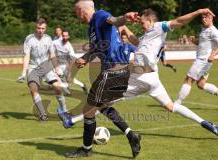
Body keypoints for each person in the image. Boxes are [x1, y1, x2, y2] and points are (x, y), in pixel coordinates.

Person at [62, 8, 218, 138]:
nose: (141, 25)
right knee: (171, 106)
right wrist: (124, 28)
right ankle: (206, 123)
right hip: (152, 79)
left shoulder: (158, 27)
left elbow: (179, 21)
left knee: (102, 102)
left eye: (143, 23)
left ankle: (72, 120)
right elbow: (136, 41)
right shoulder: (148, 35)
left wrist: (198, 11)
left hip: (140, 78)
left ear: (151, 21)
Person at [63, 0, 141, 158]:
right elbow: (97, 49)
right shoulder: (92, 27)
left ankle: (86, 150)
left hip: (113, 72)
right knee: (102, 106)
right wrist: (85, 57)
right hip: (118, 72)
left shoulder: (99, 16)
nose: (77, 16)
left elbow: (114, 20)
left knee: (88, 110)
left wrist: (125, 17)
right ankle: (131, 134)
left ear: (81, 11)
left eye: (76, 13)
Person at [17, 18, 67, 120]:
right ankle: (43, 114)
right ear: (35, 27)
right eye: (39, 28)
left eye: (43, 28)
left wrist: (57, 69)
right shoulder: (29, 39)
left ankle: (65, 111)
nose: (40, 30)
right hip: (33, 66)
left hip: (46, 65)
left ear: (45, 28)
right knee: (33, 88)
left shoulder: (48, 39)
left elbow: (52, 54)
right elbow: (26, 56)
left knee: (57, 87)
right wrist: (23, 72)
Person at [175, 13, 218, 105]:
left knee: (188, 80)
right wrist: (194, 40)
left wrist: (213, 55)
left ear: (211, 18)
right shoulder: (204, 29)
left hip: (203, 61)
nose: (204, 19)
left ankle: (177, 103)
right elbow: (202, 43)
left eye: (206, 17)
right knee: (201, 84)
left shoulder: (213, 31)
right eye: (202, 17)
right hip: (203, 61)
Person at [53, 30, 89, 98]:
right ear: (62, 36)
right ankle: (68, 92)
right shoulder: (56, 42)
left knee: (69, 79)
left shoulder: (69, 46)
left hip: (66, 65)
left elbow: (72, 57)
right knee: (59, 78)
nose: (65, 37)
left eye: (66, 36)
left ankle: (82, 85)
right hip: (58, 65)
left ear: (68, 37)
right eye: (63, 36)